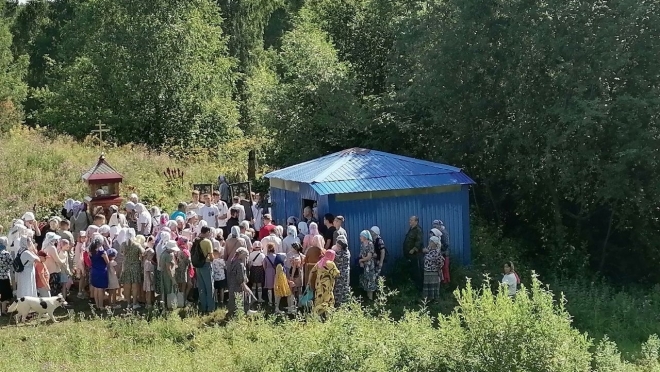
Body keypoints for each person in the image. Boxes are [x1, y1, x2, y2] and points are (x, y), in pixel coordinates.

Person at [308, 249, 340, 316]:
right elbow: (337, 274)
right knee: (329, 300)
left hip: (319, 285)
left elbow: (312, 271)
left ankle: (316, 315)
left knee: (319, 300)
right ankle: (326, 316)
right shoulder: (330, 263)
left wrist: (309, 281)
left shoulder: (320, 262)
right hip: (327, 286)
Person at [226, 247, 257, 317]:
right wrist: (244, 286)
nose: (246, 258)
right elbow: (240, 277)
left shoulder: (232, 261)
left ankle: (232, 312)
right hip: (238, 285)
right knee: (246, 296)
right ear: (242, 255)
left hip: (231, 284)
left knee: (233, 299)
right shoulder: (240, 264)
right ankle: (245, 311)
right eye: (246, 256)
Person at [120, 228, 144, 309]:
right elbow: (142, 253)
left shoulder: (123, 244)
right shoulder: (137, 245)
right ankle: (134, 303)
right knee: (135, 286)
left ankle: (128, 303)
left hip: (126, 266)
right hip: (135, 266)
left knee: (127, 286)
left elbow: (122, 254)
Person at [195, 226, 215, 314]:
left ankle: (203, 306)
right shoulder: (207, 242)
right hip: (206, 265)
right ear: (207, 232)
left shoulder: (196, 240)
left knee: (201, 287)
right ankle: (210, 307)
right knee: (209, 287)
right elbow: (211, 256)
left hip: (197, 265)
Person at [403, 216, 424, 287]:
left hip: (415, 255)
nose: (410, 221)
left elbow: (419, 241)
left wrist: (414, 249)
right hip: (409, 255)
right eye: (410, 220)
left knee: (417, 271)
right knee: (411, 271)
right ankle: (413, 286)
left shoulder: (418, 230)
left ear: (416, 222)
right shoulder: (411, 229)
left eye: (411, 220)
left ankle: (419, 288)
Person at [89, 236, 109, 309]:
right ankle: (101, 305)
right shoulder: (102, 252)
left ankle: (97, 305)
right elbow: (107, 262)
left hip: (94, 271)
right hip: (101, 271)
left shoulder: (91, 251)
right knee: (100, 289)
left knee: (95, 288)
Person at [422, 236, 444, 301]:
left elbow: (441, 262)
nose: (429, 242)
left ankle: (434, 299)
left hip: (433, 272)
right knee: (427, 285)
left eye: (431, 241)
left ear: (435, 243)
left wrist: (437, 268)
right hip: (427, 271)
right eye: (430, 241)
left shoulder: (437, 252)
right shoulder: (428, 250)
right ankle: (426, 299)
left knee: (433, 286)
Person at [358, 230, 377, 300]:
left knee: (370, 280)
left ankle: (371, 298)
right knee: (365, 280)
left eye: (361, 236)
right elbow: (360, 254)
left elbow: (369, 257)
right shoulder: (362, 244)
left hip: (369, 266)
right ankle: (367, 298)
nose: (360, 237)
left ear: (365, 236)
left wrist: (361, 260)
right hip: (364, 266)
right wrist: (360, 262)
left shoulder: (370, 244)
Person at [333, 235, 351, 307]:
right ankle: (346, 302)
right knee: (345, 287)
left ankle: (338, 303)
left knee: (338, 288)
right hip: (346, 272)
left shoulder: (339, 254)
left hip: (339, 273)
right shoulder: (347, 252)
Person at [0, 237, 12, 315]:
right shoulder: (6, 253)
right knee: (4, 294)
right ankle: (3, 311)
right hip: (4, 277)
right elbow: (11, 264)